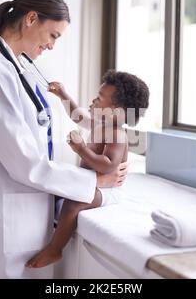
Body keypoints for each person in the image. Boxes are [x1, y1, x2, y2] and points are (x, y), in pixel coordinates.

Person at [0, 0, 127, 279]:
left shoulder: (19, 67)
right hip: (0, 215)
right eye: (53, 35)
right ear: (31, 19)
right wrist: (96, 178)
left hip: (21, 208)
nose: (52, 46)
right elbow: (25, 162)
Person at [26, 70, 149, 268]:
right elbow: (77, 116)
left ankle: (55, 249)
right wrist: (63, 95)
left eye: (99, 98)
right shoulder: (101, 123)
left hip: (108, 191)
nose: (93, 100)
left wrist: (81, 149)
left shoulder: (117, 134)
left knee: (75, 201)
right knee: (55, 190)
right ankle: (51, 229)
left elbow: (108, 164)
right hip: (93, 183)